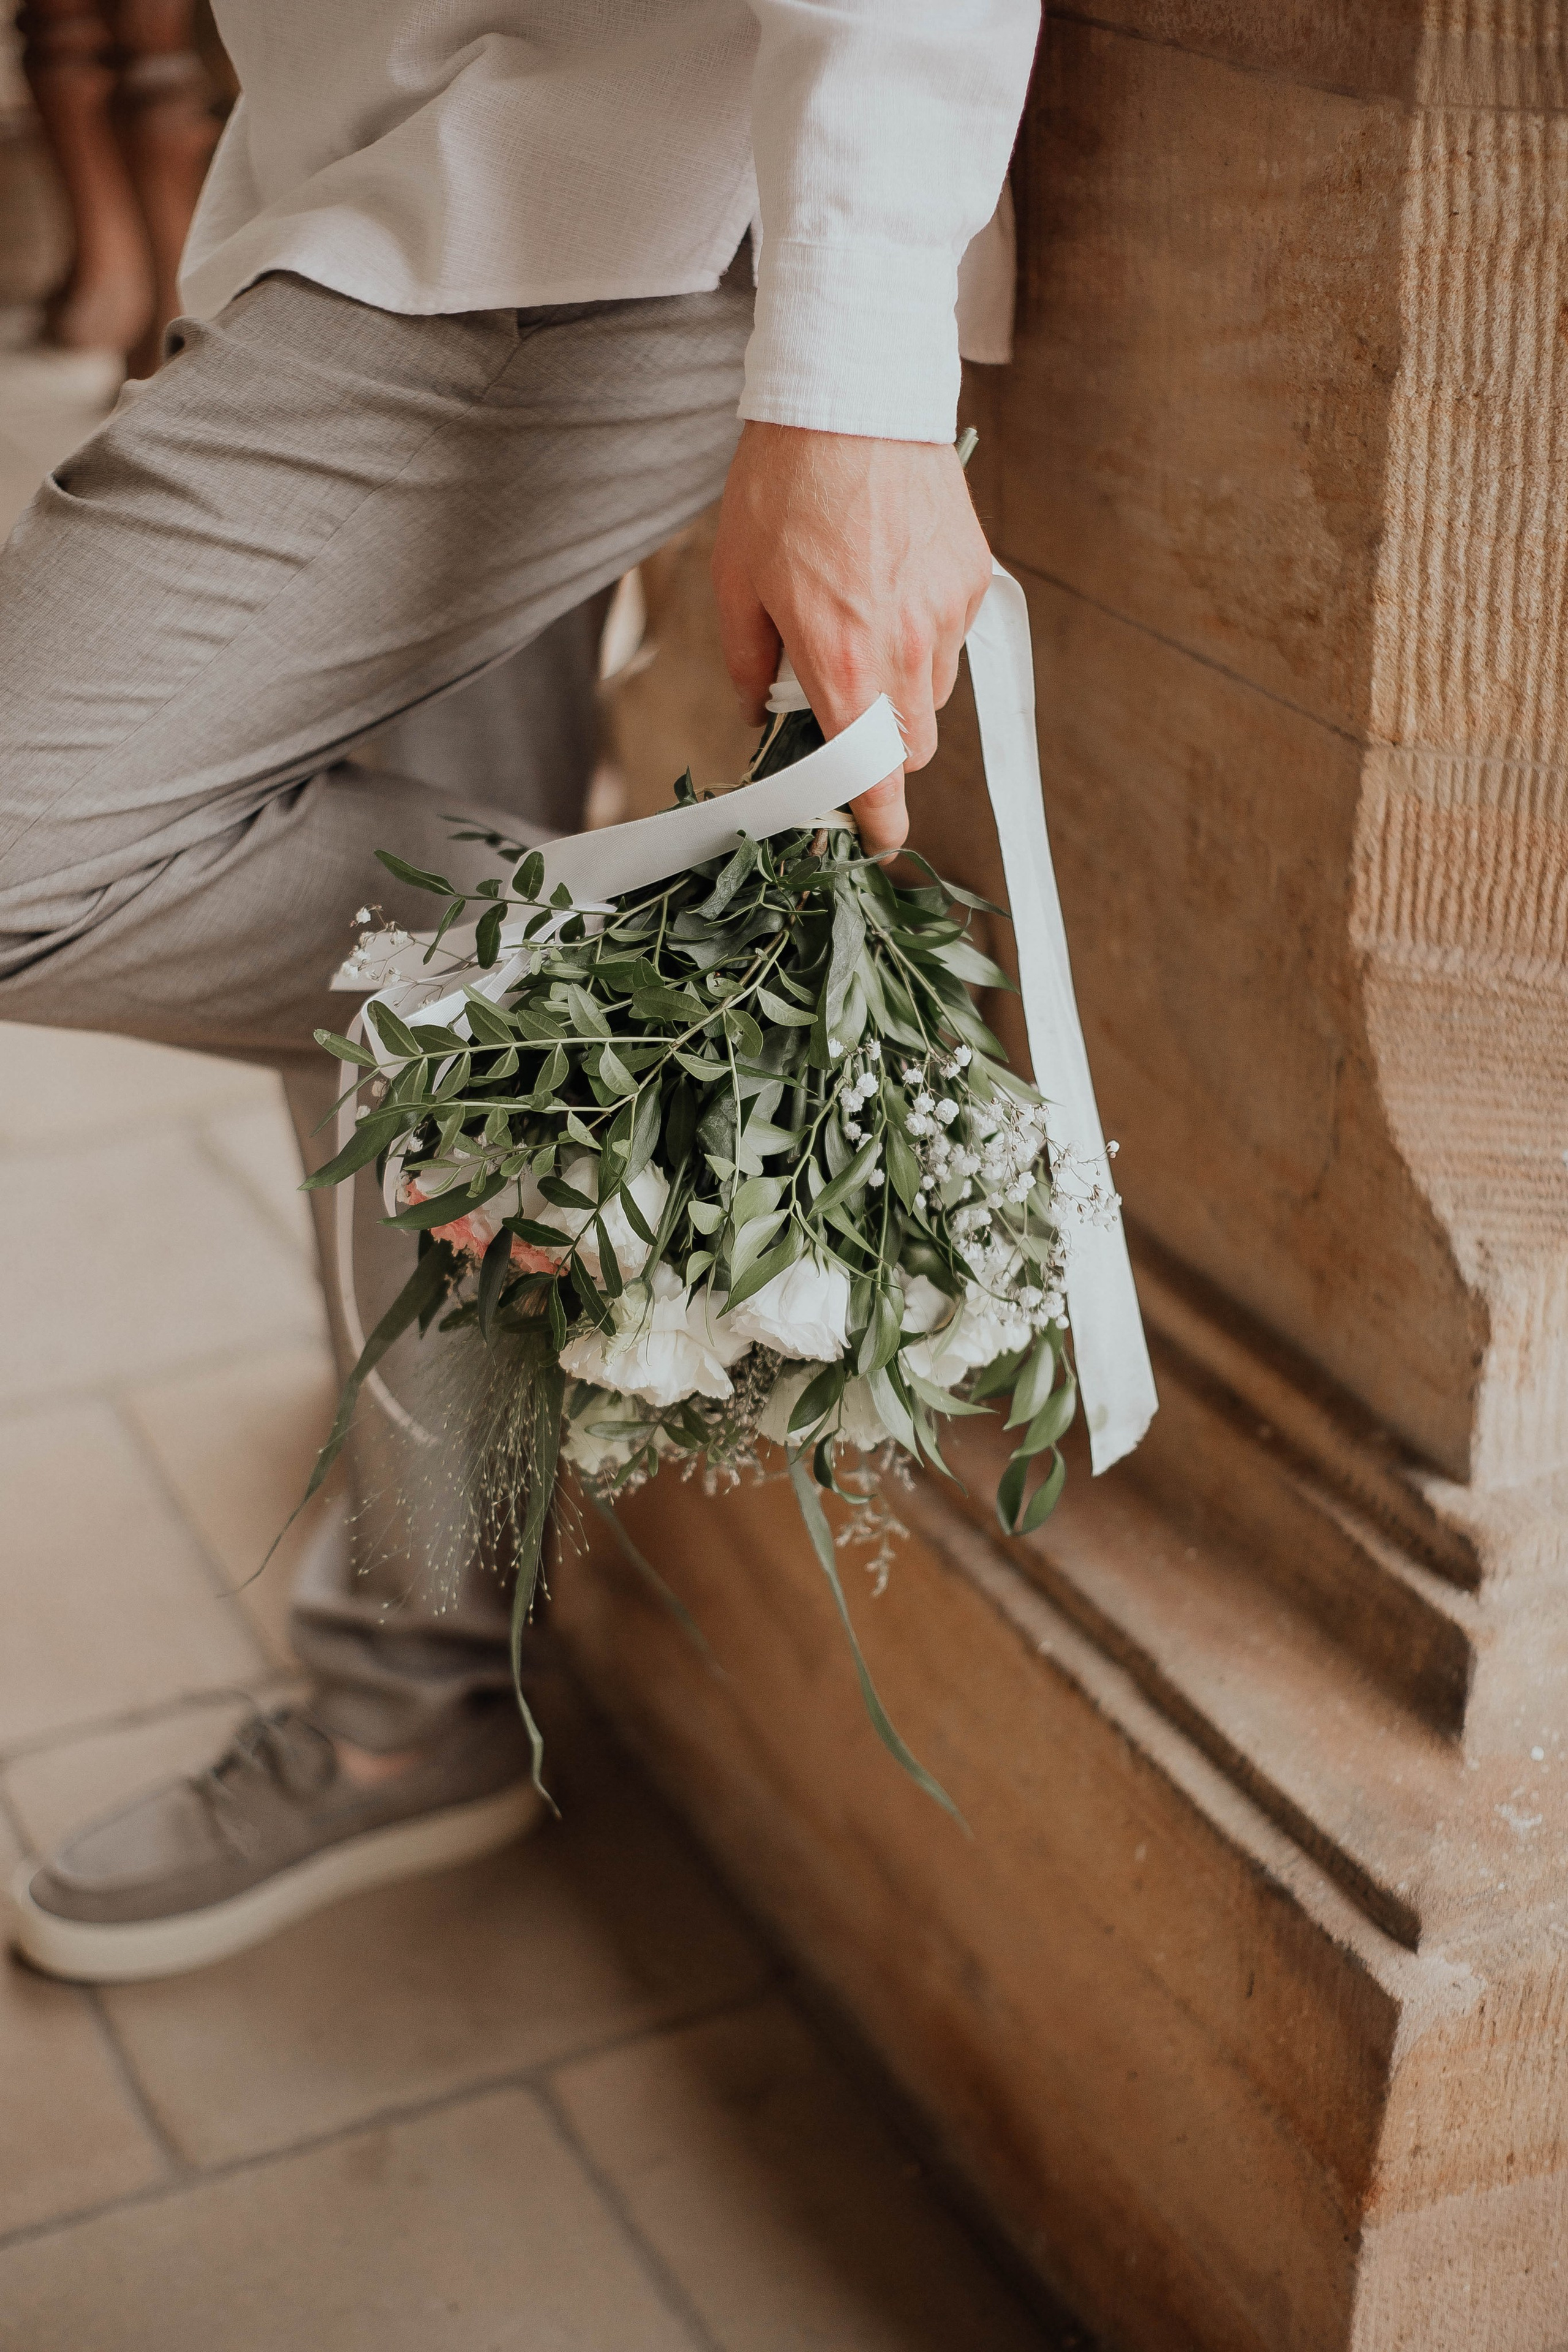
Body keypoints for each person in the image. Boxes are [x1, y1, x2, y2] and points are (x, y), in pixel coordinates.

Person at [1, 0, 1038, 1981]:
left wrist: (854, 373)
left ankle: (644, 1014)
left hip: (603, 193)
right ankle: (415, 1695)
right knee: (394, 943)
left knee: (170, 871)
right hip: (384, 174)